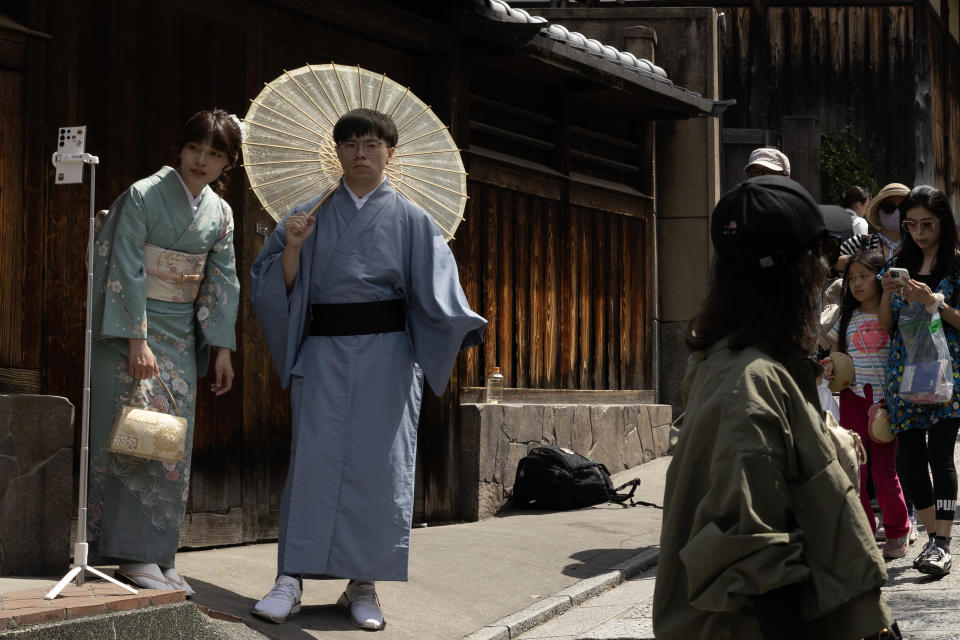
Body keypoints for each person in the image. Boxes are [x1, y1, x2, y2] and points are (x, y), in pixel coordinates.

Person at [249, 108, 486, 630]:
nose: (361, 153)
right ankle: (290, 578)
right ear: (335, 151)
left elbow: (438, 291)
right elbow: (272, 286)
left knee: (380, 470)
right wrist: (291, 247)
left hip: (388, 358)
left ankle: (364, 585)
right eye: (351, 143)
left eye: (372, 144)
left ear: (390, 153)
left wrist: (463, 323)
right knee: (313, 462)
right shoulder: (307, 213)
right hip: (324, 352)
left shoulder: (412, 218)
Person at [653, 176, 899, 640]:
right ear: (793, 274)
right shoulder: (748, 385)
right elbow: (758, 561)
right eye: (819, 258)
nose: (826, 271)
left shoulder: (763, 363)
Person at [87, 109, 241, 595]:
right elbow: (127, 266)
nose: (202, 160)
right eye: (197, 148)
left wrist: (220, 348)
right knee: (128, 436)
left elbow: (222, 281)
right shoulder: (143, 195)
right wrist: (137, 338)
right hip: (131, 333)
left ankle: (160, 553)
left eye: (215, 154)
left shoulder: (221, 213)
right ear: (180, 147)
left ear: (227, 163)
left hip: (179, 337)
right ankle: (128, 556)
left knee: (168, 442)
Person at [878, 185, 960, 578]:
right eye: (911, 225)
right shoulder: (899, 261)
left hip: (947, 371)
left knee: (940, 455)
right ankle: (931, 537)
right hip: (904, 370)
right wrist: (885, 292)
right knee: (910, 460)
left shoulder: (957, 265)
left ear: (943, 222)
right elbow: (886, 324)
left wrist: (934, 302)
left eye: (927, 224)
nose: (919, 233)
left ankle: (942, 542)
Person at [824, 249, 911, 559]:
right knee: (856, 469)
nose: (857, 284)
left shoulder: (894, 313)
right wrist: (828, 367)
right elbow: (833, 356)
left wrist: (889, 295)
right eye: (851, 279)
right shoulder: (844, 318)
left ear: (880, 278)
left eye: (864, 277)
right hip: (852, 398)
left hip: (885, 401)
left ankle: (898, 529)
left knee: (884, 471)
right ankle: (863, 528)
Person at [837, 183, 909, 271]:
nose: (897, 211)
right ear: (878, 213)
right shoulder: (859, 243)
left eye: (903, 207)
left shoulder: (918, 245)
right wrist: (855, 261)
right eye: (889, 207)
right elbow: (830, 267)